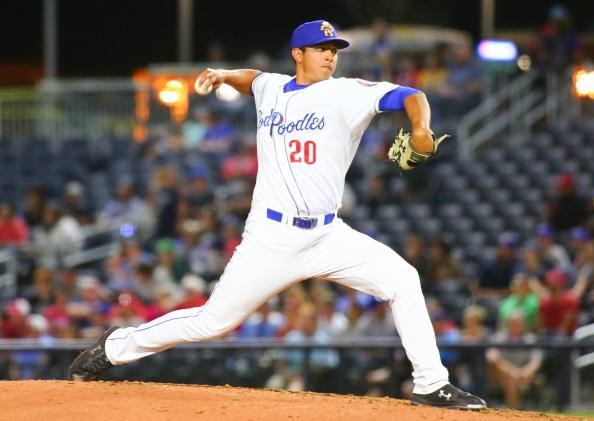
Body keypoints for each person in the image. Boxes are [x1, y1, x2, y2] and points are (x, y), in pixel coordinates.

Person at [68, 20, 486, 410]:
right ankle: (114, 348)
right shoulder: (272, 87)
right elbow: (253, 79)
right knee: (212, 321)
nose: (330, 55)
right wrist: (224, 74)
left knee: (403, 280)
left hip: (328, 235)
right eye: (320, 48)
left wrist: (421, 129)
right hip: (271, 237)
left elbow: (413, 96)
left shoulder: (347, 92)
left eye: (334, 49)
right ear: (297, 54)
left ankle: (431, 383)